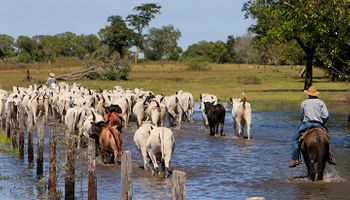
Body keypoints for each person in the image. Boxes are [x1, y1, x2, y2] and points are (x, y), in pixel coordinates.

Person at [289, 86, 336, 167]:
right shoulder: (321, 102)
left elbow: (302, 115)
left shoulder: (304, 102)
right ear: (316, 94)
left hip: (306, 124)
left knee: (294, 140)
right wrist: (322, 123)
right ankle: (330, 157)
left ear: (308, 94)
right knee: (328, 139)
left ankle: (295, 159)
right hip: (319, 124)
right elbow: (326, 115)